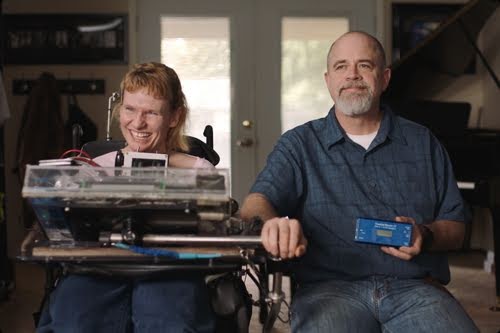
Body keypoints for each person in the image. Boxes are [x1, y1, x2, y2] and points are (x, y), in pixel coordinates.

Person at [240, 31, 479, 332]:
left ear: (385, 78)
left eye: (364, 65)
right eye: (341, 66)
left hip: (415, 289)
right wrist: (273, 224)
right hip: (328, 289)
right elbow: (254, 205)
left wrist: (426, 235)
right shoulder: (298, 145)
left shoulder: (423, 142)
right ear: (328, 80)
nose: (352, 75)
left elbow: (456, 227)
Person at [37, 62, 216, 333]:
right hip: (100, 266)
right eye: (130, 109)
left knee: (169, 321)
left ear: (174, 117)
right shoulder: (94, 167)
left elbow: (214, 232)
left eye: (152, 112)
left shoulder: (199, 171)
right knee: (74, 318)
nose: (138, 123)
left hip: (169, 267)